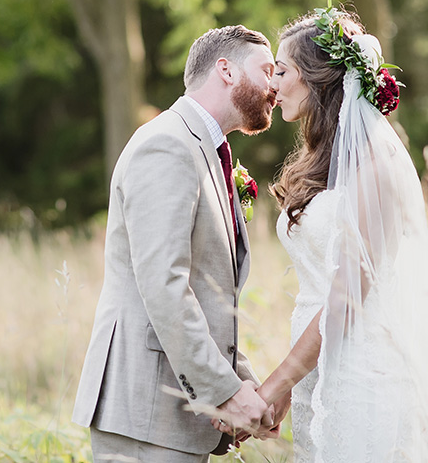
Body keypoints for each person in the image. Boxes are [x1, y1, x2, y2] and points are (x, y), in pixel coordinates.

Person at [219, 5, 428, 461]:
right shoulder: (320, 162)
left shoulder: (376, 168)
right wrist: (292, 384)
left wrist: (271, 388)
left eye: (281, 71)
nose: (272, 86)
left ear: (317, 77)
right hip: (319, 368)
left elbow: (346, 298)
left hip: (367, 372)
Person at [73, 25, 281, 461]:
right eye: (266, 70)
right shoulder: (167, 144)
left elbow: (206, 296)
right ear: (225, 70)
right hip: (145, 410)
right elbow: (164, 285)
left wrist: (245, 385)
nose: (275, 85)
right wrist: (224, 392)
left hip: (168, 413)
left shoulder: (205, 150)